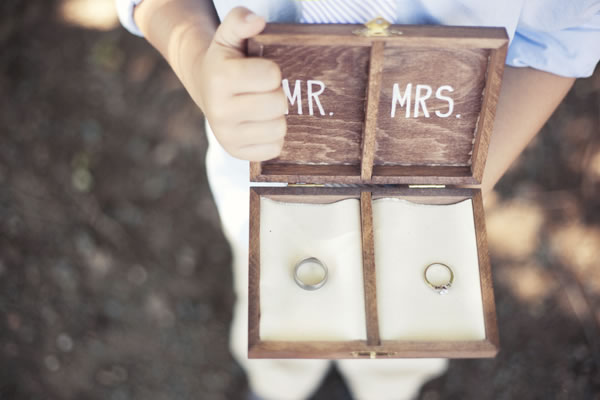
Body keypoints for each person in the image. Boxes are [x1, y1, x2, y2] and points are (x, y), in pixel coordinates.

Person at [115, 1, 600, 399]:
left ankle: (387, 387)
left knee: (404, 338)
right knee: (276, 321)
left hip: (425, 215)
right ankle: (277, 386)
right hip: (263, 190)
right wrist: (197, 60)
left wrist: (463, 174)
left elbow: (565, 35)